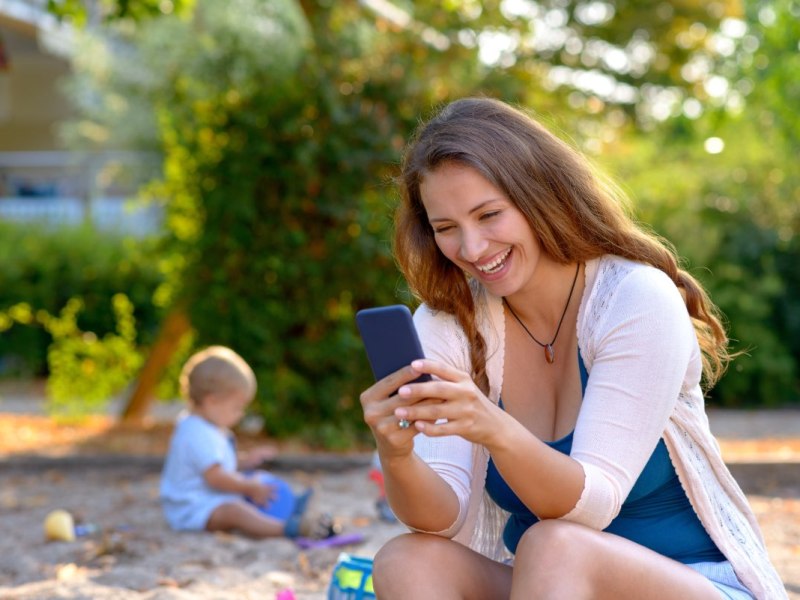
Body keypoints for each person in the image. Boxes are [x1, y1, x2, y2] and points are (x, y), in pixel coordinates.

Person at [359, 97, 787, 599]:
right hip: (547, 587)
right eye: (447, 229)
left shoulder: (634, 298)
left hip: (693, 583)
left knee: (555, 543)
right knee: (407, 560)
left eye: (489, 215)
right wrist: (398, 452)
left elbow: (590, 506)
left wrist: (493, 428)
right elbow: (441, 520)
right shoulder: (450, 323)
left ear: (539, 196)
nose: (472, 249)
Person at [159, 345, 332, 539]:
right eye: (237, 407)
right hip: (192, 509)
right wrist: (249, 487)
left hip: (210, 498)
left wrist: (246, 461)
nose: (240, 415)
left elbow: (218, 464)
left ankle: (290, 504)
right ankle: (285, 528)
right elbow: (216, 477)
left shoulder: (209, 428)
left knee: (256, 478)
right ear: (212, 401)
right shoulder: (197, 433)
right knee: (236, 510)